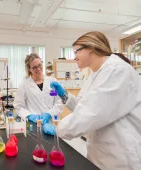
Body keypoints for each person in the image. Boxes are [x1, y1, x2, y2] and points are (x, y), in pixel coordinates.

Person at [51, 31, 141, 170]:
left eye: (77, 51)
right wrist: (64, 96)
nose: (74, 57)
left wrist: (57, 128)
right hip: (100, 153)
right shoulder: (94, 75)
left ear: (91, 47)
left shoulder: (117, 70)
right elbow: (83, 106)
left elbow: (91, 113)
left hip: (121, 156)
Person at [13, 53, 63, 135]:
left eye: (40, 65)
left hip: (53, 124)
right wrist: (30, 116)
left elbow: (59, 102)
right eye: (34, 67)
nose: (38, 69)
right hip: (35, 125)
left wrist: (49, 114)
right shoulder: (24, 85)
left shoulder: (53, 81)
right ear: (29, 69)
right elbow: (18, 106)